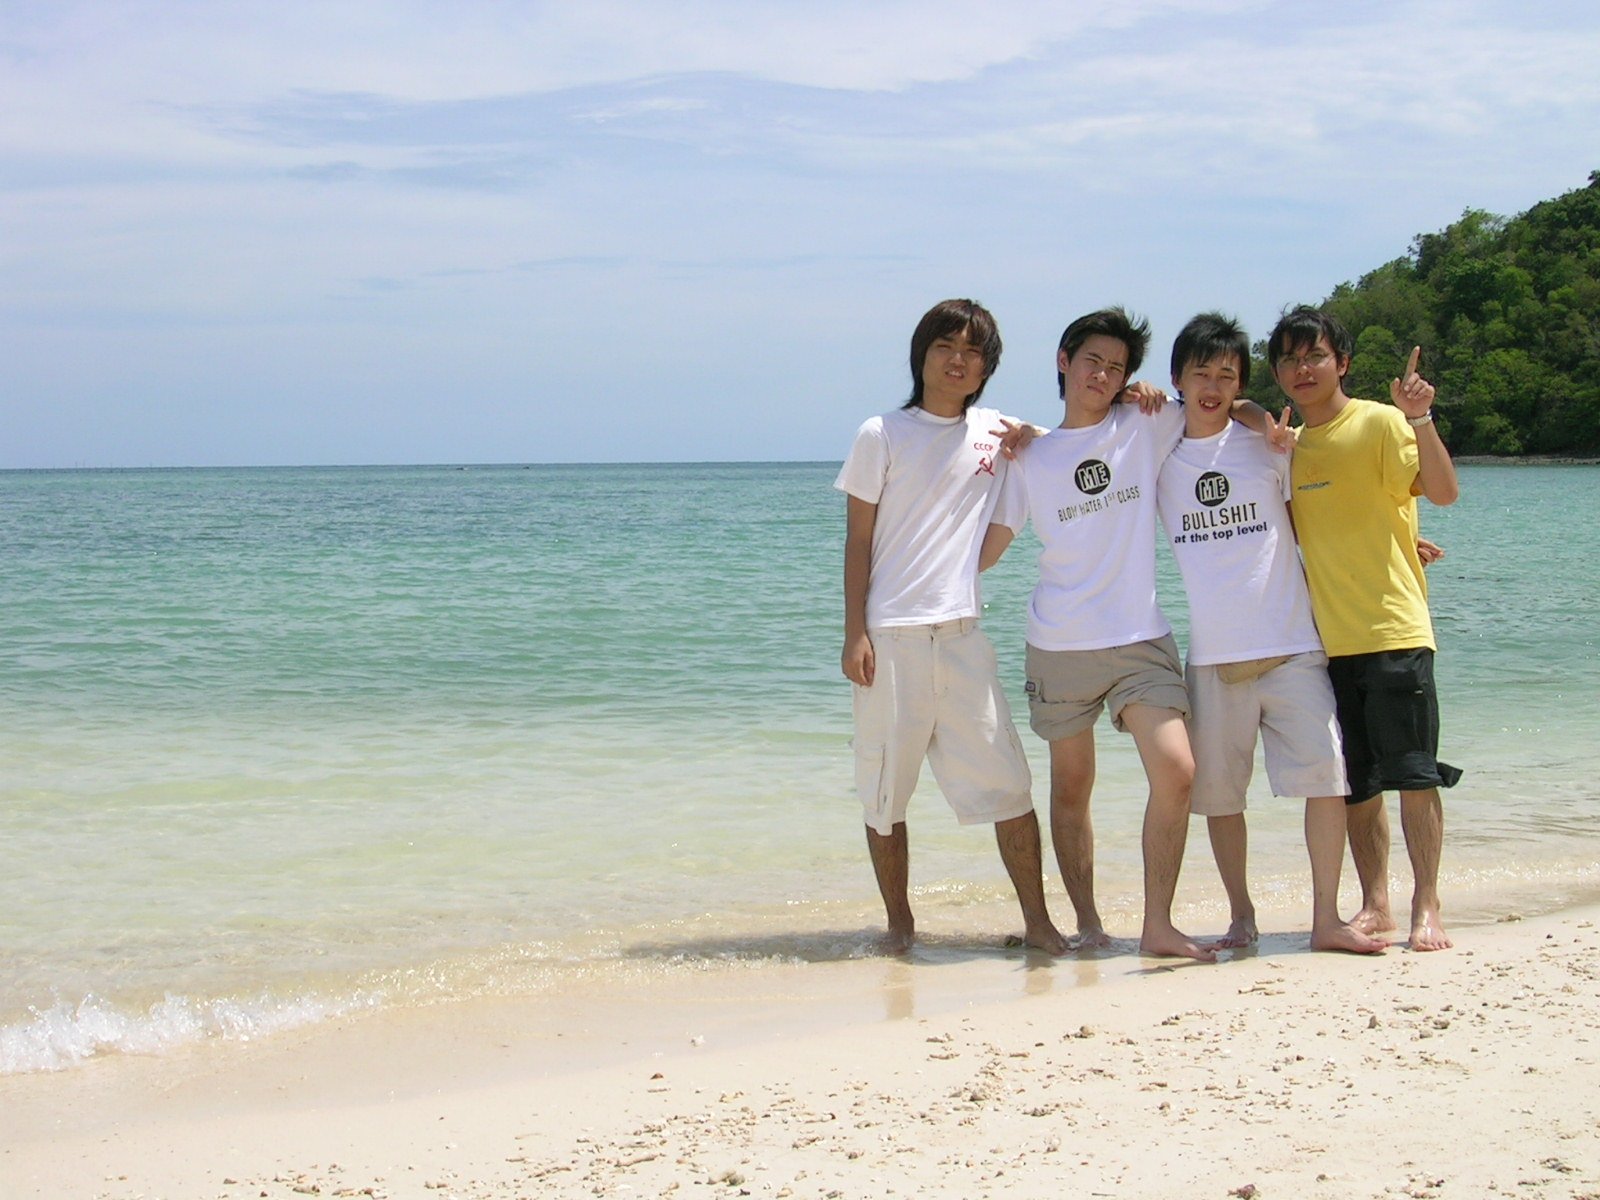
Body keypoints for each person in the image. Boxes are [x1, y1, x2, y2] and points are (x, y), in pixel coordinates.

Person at [836, 298, 1067, 955]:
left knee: (1011, 787)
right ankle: (900, 926)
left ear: (986, 368)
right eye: (946, 346)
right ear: (923, 353)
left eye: (972, 351)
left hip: (964, 636)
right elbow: (858, 540)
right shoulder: (881, 433)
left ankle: (1041, 923)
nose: (958, 359)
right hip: (893, 638)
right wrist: (855, 631)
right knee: (885, 793)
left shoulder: (997, 432)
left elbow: (1075, 445)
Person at [1155, 312, 1386, 954]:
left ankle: (1325, 919)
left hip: (1293, 647)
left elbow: (1318, 509)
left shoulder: (1270, 442)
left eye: (1227, 375)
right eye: (1201, 372)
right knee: (1222, 798)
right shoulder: (1160, 454)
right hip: (1215, 658)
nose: (1213, 384)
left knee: (1328, 779)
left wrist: (1391, 539)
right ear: (1177, 378)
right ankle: (1242, 917)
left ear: (1241, 385)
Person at [1003, 307, 1215, 961]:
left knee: (1179, 769)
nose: (1103, 374)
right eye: (1092, 360)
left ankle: (1158, 924)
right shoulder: (1028, 451)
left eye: (1118, 367)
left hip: (1139, 637)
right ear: (1063, 361)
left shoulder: (1146, 422)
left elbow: (1220, 409)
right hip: (1059, 641)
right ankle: (1090, 924)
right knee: (1071, 787)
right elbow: (985, 544)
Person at [1265, 306, 1462, 951]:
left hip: (1395, 630)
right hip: (1327, 643)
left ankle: (1426, 905)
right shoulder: (1289, 448)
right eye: (1290, 359)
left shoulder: (1377, 421)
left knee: (1415, 775)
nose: (1303, 368)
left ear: (1341, 363)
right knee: (1357, 785)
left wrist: (1421, 418)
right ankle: (1374, 903)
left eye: (1315, 355)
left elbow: (1440, 489)